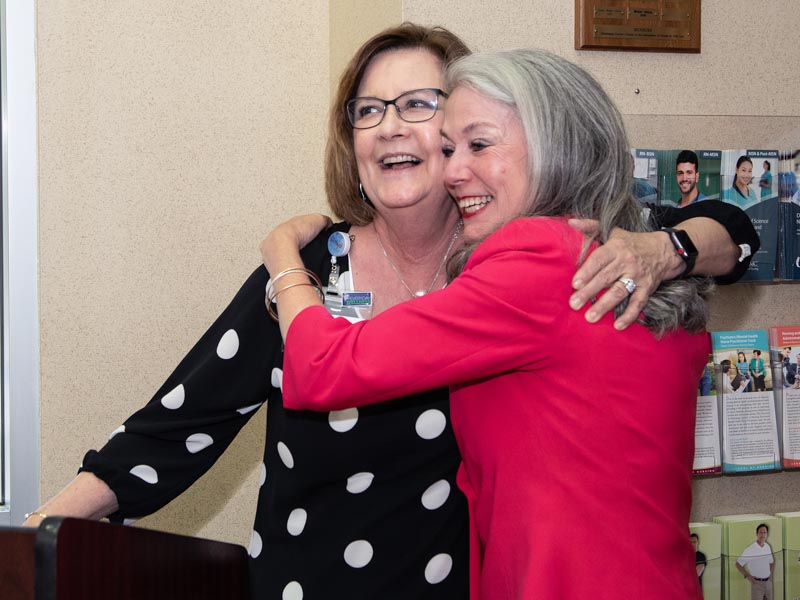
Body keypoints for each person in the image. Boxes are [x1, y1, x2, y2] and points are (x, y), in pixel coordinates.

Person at [25, 24, 756, 599]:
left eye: (423, 107)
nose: (392, 127)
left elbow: (742, 226)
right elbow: (177, 428)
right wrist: (31, 537)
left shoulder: (579, 253)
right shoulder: (317, 271)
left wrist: (672, 246)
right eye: (368, 111)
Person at [263, 47, 714, 598]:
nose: (453, 171)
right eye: (450, 148)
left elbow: (322, 368)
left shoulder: (539, 261)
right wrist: (686, 244)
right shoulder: (630, 256)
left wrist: (284, 258)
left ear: (557, 148)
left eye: (479, 145)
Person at [735, 523, 774, 600]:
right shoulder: (750, 549)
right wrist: (748, 576)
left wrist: (770, 575)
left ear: (767, 534)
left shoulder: (767, 547)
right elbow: (738, 564)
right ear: (757, 534)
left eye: (764, 532)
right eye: (760, 532)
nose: (762, 535)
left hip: (768, 583)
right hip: (757, 584)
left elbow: (771, 562)